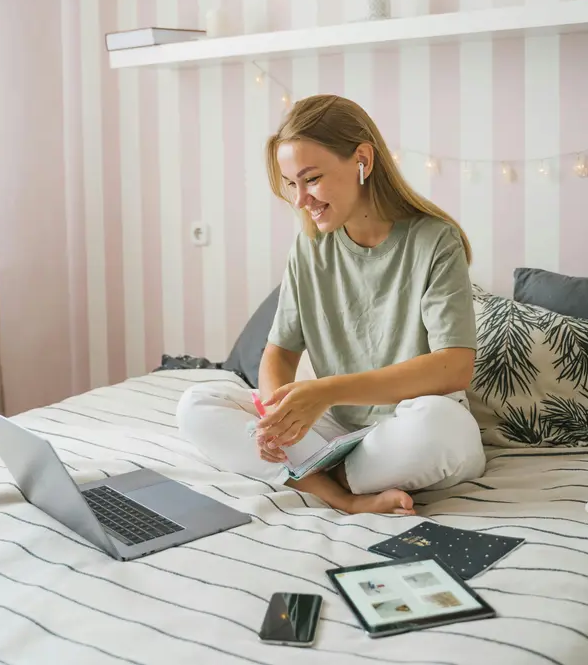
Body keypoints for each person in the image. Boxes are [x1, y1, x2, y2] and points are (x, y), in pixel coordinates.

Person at [177, 94, 485, 516]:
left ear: (362, 159)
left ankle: (316, 474)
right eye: (291, 184)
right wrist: (276, 421)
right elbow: (280, 353)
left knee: (439, 427)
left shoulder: (435, 241)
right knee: (197, 404)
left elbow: (455, 365)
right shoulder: (309, 247)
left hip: (410, 427)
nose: (301, 199)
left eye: (312, 179)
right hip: (337, 432)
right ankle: (340, 494)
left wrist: (325, 392)